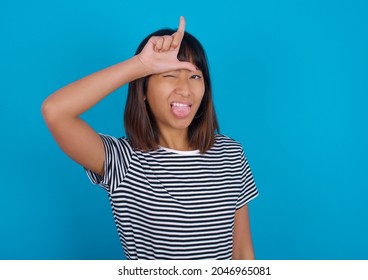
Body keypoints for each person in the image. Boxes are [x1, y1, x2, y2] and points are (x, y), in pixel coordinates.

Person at [42, 16, 258, 260]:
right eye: (169, 75)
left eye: (195, 76)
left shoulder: (231, 153)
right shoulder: (123, 161)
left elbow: (241, 253)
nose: (185, 89)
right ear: (143, 91)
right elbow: (56, 111)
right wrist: (141, 65)